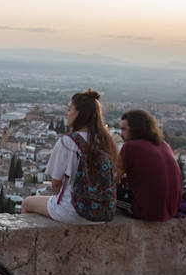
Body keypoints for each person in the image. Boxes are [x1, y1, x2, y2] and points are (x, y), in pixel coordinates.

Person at [21, 89, 118, 223]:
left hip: (73, 210)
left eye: (69, 109)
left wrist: (61, 200)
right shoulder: (106, 141)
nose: (66, 114)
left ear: (79, 114)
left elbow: (56, 183)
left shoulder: (67, 142)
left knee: (27, 203)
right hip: (101, 213)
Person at [116, 109, 182, 222]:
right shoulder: (163, 144)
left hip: (148, 212)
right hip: (172, 209)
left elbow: (112, 178)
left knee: (101, 195)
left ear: (135, 129)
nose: (121, 134)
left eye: (124, 129)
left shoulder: (130, 146)